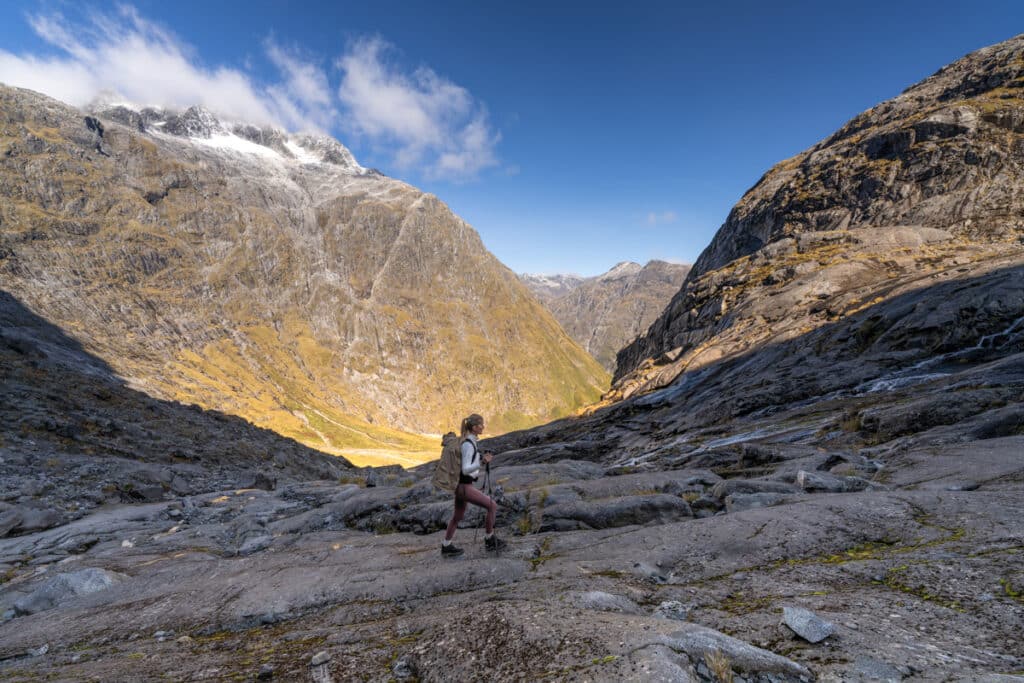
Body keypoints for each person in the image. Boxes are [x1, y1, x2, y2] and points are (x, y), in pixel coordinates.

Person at [441, 413, 507, 556]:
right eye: (481, 424)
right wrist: (482, 461)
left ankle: (446, 546)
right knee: (492, 506)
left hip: (461, 486)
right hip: (464, 487)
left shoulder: (468, 442)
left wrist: (479, 461)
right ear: (475, 427)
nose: (483, 427)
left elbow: (467, 466)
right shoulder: (468, 445)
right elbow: (466, 469)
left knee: (457, 516)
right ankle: (489, 540)